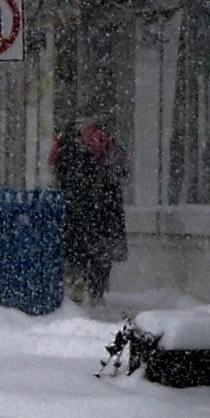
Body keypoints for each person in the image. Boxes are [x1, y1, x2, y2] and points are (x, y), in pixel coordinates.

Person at [50, 120, 127, 304]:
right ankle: (96, 292)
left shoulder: (65, 143)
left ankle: (76, 284)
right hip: (104, 209)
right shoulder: (106, 142)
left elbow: (55, 168)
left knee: (76, 249)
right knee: (101, 253)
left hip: (75, 207)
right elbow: (121, 171)